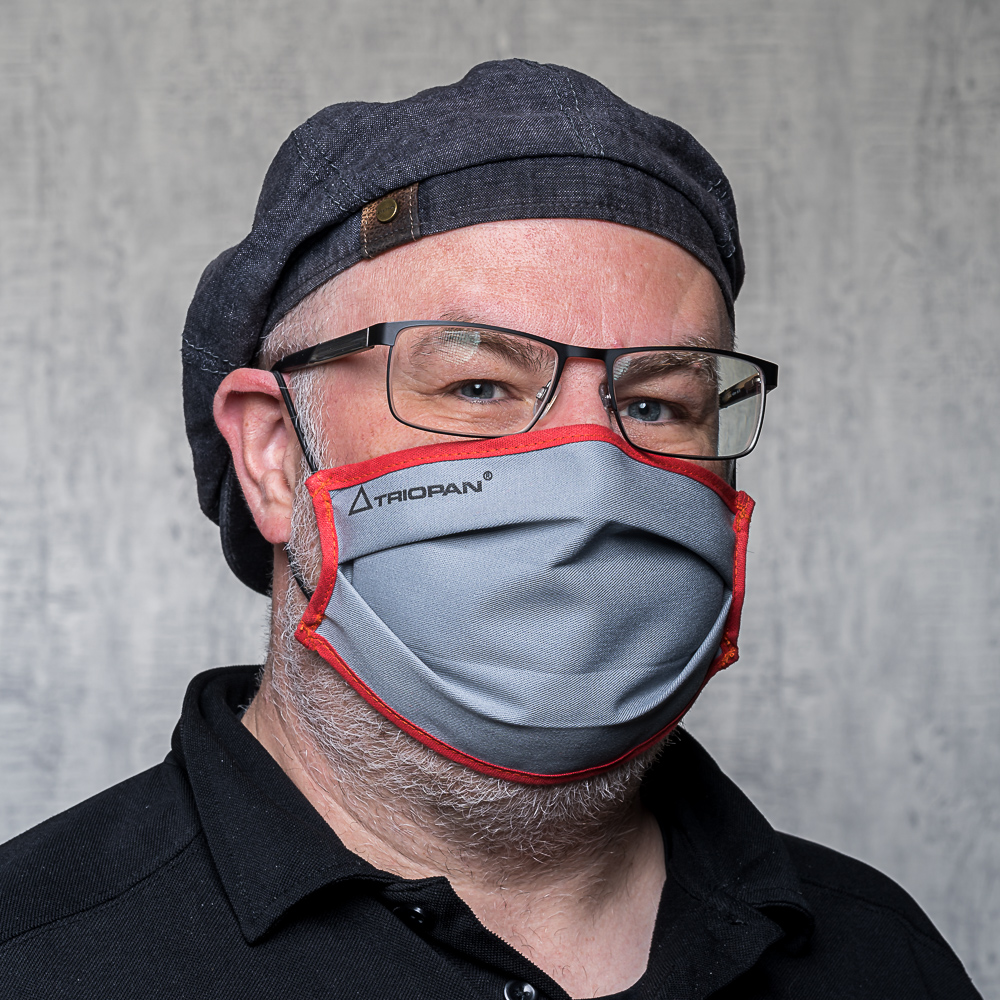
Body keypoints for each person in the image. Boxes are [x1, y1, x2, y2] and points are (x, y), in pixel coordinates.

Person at [0, 60, 981, 1000]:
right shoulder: (35, 960)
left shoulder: (882, 957)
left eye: (657, 404)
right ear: (275, 456)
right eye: (476, 384)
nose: (593, 478)